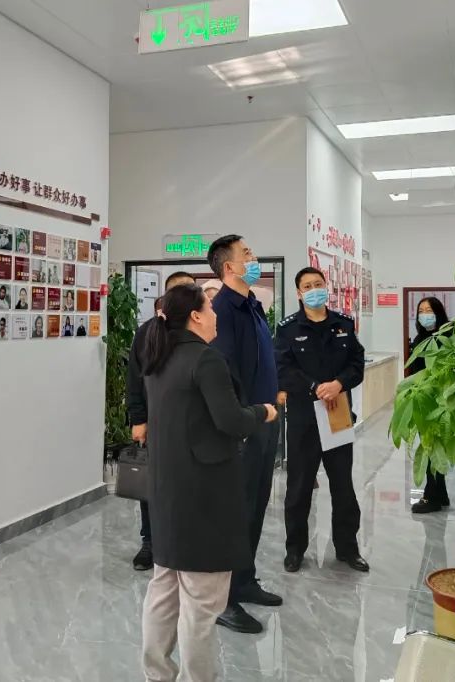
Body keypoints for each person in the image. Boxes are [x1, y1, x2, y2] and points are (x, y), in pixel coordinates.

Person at [140, 283, 278, 682]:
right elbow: (231, 420)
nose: (217, 315)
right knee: (202, 603)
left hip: (167, 489)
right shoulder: (206, 358)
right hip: (203, 493)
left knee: (164, 589)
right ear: (196, 316)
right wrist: (263, 412)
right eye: (211, 308)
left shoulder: (159, 356)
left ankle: (156, 674)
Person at [207, 235, 281, 634]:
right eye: (246, 253)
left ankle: (245, 580)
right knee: (235, 512)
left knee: (255, 504)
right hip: (245, 426)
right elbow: (226, 377)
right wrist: (243, 423)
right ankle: (223, 598)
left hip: (265, 420)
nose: (254, 257)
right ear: (229, 267)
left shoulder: (253, 305)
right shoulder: (222, 311)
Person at [275, 267, 369, 574]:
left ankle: (347, 548)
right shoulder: (288, 329)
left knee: (343, 486)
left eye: (318, 284)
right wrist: (316, 387)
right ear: (299, 293)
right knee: (299, 487)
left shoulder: (343, 324)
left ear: (326, 287)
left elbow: (357, 363)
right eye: (307, 286)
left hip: (337, 414)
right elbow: (284, 370)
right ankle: (294, 550)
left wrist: (338, 384)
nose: (314, 289)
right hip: (304, 418)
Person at [126, 271, 196, 572]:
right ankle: (150, 542)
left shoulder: (202, 328)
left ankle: (185, 541)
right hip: (156, 423)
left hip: (192, 424)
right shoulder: (147, 332)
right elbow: (134, 379)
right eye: (176, 291)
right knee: (153, 486)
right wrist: (138, 419)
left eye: (189, 290)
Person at [408, 297, 453, 514]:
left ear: (438, 312)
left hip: (440, 401)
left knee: (431, 449)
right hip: (423, 400)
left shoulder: (448, 336)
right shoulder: (419, 339)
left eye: (429, 310)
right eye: (421, 311)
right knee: (432, 447)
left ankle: (431, 497)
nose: (424, 314)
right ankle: (441, 494)